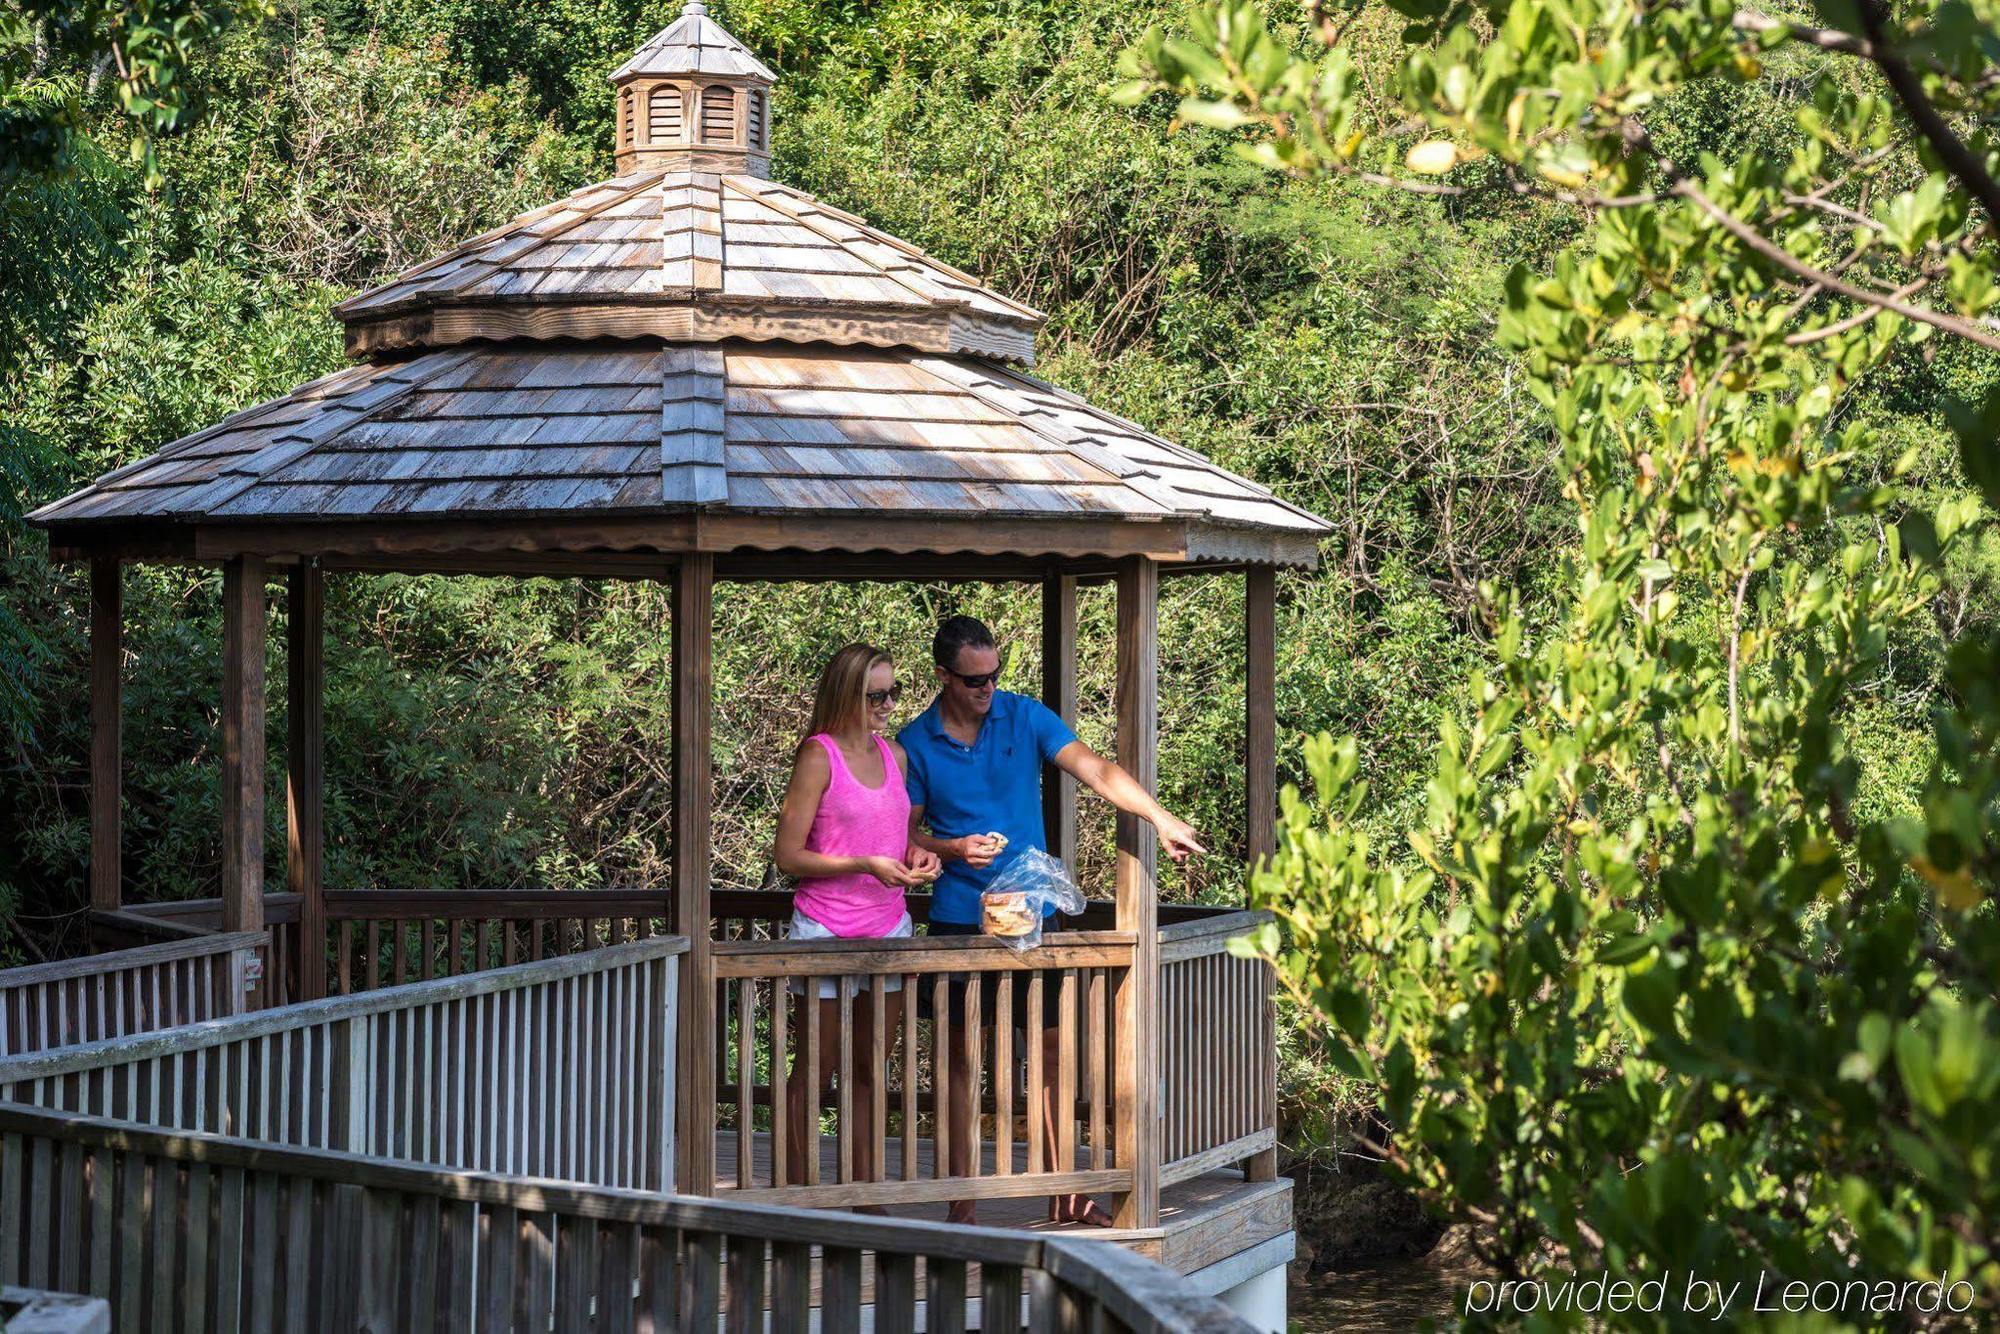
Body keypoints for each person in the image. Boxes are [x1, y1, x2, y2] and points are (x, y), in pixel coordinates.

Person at [900, 615, 1204, 1226]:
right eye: (974, 681)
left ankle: (1066, 1192)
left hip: (1031, 917)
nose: (988, 689)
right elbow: (905, 835)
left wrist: (1160, 817)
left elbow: (1096, 770)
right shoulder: (915, 742)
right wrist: (954, 850)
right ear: (943, 677)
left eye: (994, 675)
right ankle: (962, 1200)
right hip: (960, 922)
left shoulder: (1024, 715)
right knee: (960, 1060)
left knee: (1050, 1053)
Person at [771, 643, 942, 1191]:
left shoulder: (898, 756)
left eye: (894, 691)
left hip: (887, 926)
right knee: (815, 1070)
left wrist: (918, 853)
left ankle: (863, 1191)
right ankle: (802, 1193)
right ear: (847, 693)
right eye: (876, 694)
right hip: (823, 927)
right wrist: (862, 863)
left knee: (871, 1068)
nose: (889, 703)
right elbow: (788, 854)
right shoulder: (818, 756)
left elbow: (897, 833)